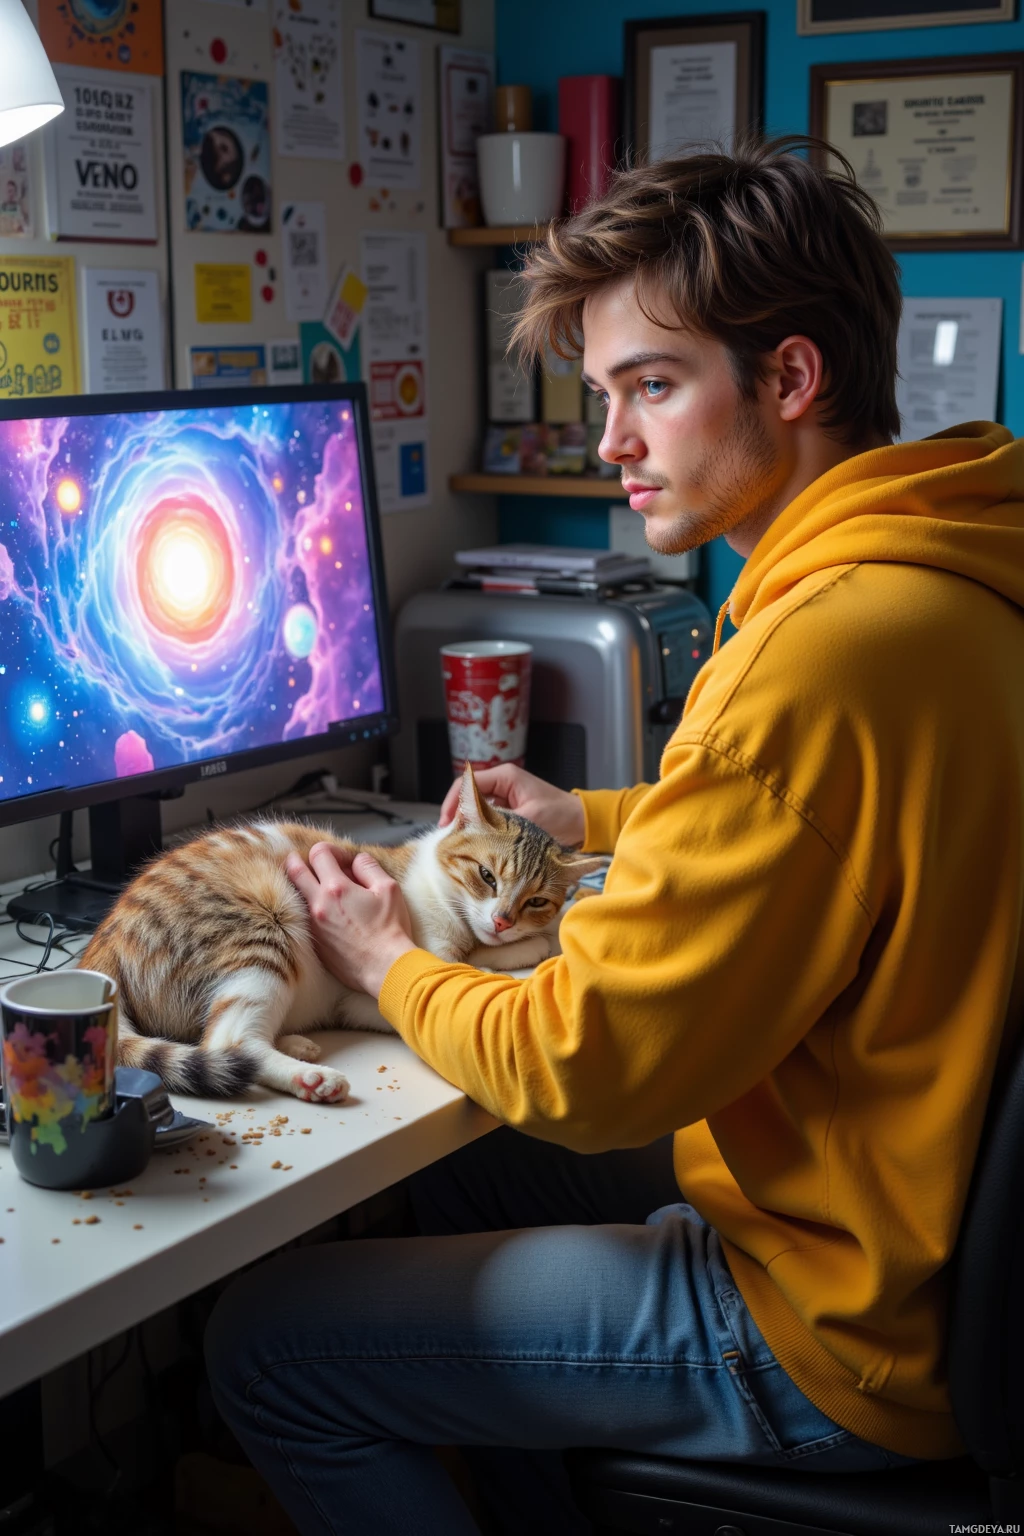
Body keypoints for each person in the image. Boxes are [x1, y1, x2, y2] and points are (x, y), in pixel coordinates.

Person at [204, 135, 1024, 1535]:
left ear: (791, 378)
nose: (611, 446)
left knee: (264, 1346)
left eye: (652, 386)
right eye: (603, 396)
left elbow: (585, 1066)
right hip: (915, 1219)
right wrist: (587, 816)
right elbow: (837, 823)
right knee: (465, 1165)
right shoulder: (946, 575)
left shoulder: (814, 659)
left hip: (836, 1324)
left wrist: (391, 960)